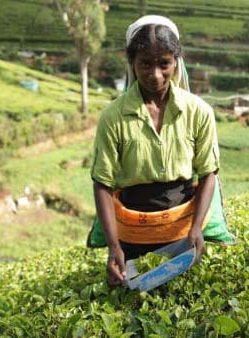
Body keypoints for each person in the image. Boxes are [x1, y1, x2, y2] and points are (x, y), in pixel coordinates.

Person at [91, 15, 219, 286]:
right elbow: (102, 182)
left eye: (164, 63)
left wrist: (196, 230)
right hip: (131, 235)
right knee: (133, 301)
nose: (155, 74)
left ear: (176, 61)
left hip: (183, 231)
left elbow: (209, 173)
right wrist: (114, 246)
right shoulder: (113, 116)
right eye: (145, 64)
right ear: (132, 64)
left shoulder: (199, 112)